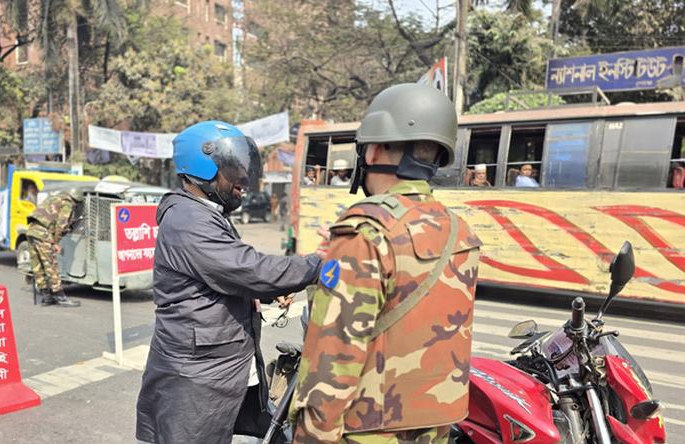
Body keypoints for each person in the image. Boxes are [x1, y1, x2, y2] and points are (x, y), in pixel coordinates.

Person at [289, 84, 482, 444]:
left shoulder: (365, 231)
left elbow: (334, 355)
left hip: (368, 428)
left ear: (373, 149)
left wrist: (311, 437)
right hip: (436, 425)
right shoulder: (458, 230)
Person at [135, 121, 322, 444]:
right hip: (196, 376)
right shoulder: (188, 219)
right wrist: (319, 262)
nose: (243, 181)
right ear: (202, 168)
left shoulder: (206, 213)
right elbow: (248, 270)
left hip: (218, 367)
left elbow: (225, 277)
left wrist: (269, 293)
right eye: (233, 171)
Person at [26, 189, 83, 307]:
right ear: (76, 200)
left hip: (32, 230)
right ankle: (60, 296)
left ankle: (46, 296)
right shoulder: (67, 203)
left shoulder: (55, 197)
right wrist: (56, 242)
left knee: (37, 265)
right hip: (43, 233)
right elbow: (61, 224)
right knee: (51, 265)